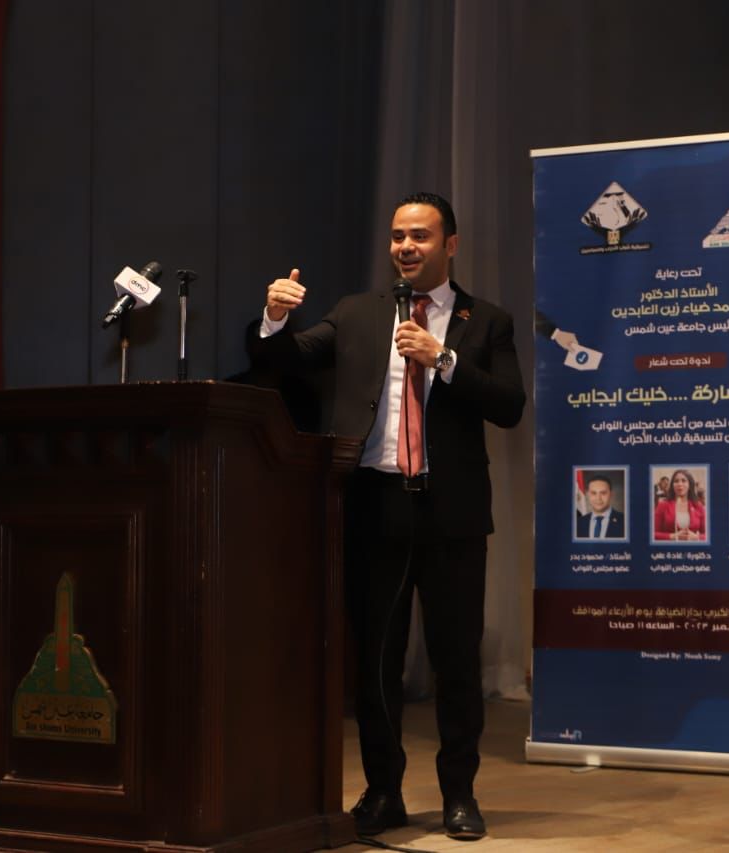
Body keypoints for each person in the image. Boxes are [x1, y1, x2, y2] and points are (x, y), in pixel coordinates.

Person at [249, 192, 525, 841]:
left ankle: (459, 794)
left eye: (420, 236)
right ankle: (383, 792)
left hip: (452, 512)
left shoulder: (487, 320)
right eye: (398, 236)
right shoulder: (356, 313)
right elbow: (286, 361)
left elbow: (509, 404)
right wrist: (273, 318)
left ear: (449, 244)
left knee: (457, 661)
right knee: (376, 660)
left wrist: (443, 359)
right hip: (375, 504)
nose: (405, 246)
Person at [653, 469, 706, 541]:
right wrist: (672, 536)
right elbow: (653, 534)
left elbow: (708, 535)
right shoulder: (662, 505)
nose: (679, 484)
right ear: (672, 485)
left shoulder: (698, 506)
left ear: (690, 485)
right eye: (676, 481)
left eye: (684, 481)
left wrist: (696, 537)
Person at [576, 473, 624, 539]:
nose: (598, 498)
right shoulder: (578, 523)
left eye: (603, 493)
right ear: (588, 495)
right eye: (593, 493)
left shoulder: (625, 521)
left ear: (611, 494)